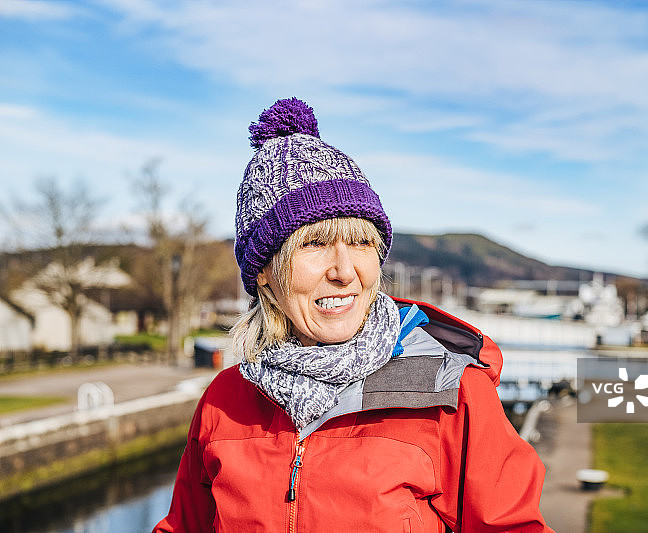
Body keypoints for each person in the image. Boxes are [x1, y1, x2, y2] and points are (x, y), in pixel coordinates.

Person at [153, 97, 554, 532]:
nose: (345, 272)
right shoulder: (224, 400)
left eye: (361, 244)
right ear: (264, 271)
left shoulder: (451, 392)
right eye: (314, 244)